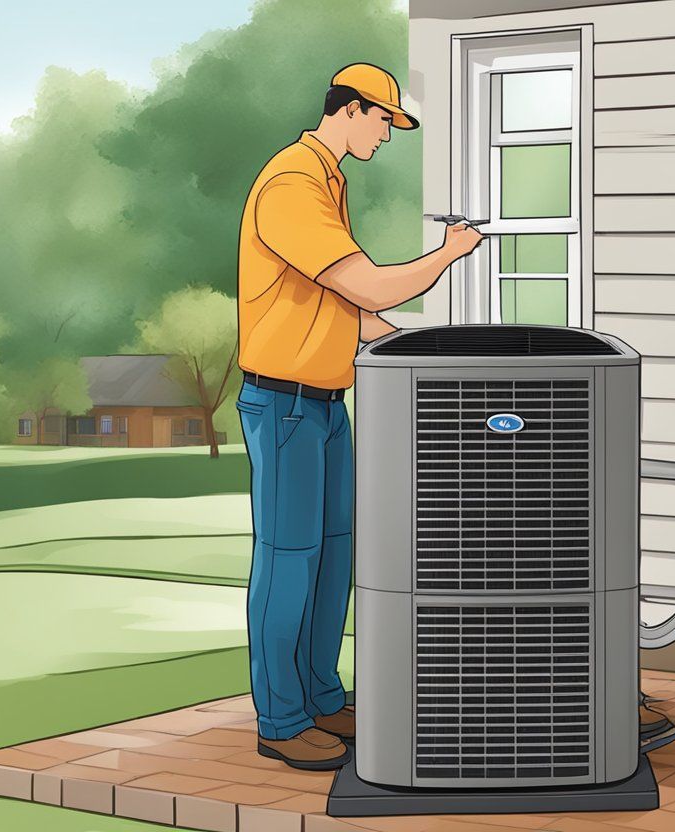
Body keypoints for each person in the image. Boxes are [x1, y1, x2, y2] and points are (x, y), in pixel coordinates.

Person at [234, 62, 483, 771]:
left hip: (325, 404)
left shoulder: (329, 180)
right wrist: (448, 254)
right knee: (288, 564)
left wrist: (415, 343)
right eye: (384, 121)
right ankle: (279, 720)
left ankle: (320, 696)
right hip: (283, 405)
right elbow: (365, 281)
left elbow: (351, 307)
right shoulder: (291, 184)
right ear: (350, 109)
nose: (387, 135)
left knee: (334, 554)